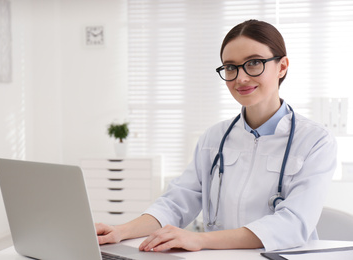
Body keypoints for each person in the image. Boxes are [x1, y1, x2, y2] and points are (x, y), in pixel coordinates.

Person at [95, 19, 337, 252]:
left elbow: (293, 224)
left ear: (282, 66)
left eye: (254, 63)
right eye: (231, 67)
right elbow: (177, 202)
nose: (241, 77)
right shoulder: (214, 138)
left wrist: (200, 239)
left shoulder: (315, 141)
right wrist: (121, 231)